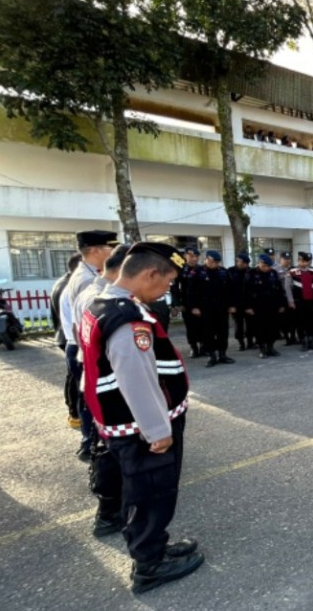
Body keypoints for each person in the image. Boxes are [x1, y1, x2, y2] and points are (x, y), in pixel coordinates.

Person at [78, 242, 204, 594]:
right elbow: (137, 378)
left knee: (142, 489)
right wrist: (157, 430)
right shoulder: (127, 318)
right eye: (168, 281)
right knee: (152, 492)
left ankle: (155, 547)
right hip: (139, 428)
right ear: (150, 274)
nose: (168, 289)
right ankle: (150, 565)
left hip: (119, 421)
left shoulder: (102, 302)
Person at [63, 230, 119, 461]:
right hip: (85, 348)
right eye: (110, 248)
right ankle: (93, 447)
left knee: (88, 399)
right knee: (93, 401)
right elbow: (88, 325)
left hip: (79, 347)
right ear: (95, 250)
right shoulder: (87, 281)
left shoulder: (87, 273)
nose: (114, 252)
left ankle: (91, 443)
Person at [51, 252, 83, 428]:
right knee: (76, 379)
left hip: (65, 335)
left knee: (72, 376)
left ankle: (74, 412)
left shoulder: (63, 281)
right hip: (70, 337)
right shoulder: (69, 287)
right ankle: (74, 413)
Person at [187, 251, 234, 367]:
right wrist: (194, 307)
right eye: (211, 261)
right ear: (206, 259)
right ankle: (212, 356)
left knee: (223, 332)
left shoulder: (224, 272)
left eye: (216, 262)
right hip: (205, 308)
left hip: (221, 308)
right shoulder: (197, 272)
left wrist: (232, 305)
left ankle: (222, 354)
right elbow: (191, 291)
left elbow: (231, 290)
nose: (213, 264)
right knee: (208, 332)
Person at [245, 254, 286, 358]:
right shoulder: (251, 273)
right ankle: (262, 348)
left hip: (272, 304)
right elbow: (245, 292)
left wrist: (281, 304)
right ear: (259, 263)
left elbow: (279, 290)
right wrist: (248, 307)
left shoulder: (273, 273)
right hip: (258, 305)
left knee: (273, 327)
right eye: (264, 266)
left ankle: (270, 347)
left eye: (268, 266)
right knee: (260, 328)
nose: (266, 268)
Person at [284, 252, 313, 351]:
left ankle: (310, 341)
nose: (306, 264)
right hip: (299, 301)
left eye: (307, 261)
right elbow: (287, 287)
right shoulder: (292, 271)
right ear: (299, 260)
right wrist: (290, 301)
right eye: (303, 261)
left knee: (311, 321)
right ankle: (303, 341)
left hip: (311, 300)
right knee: (300, 322)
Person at [173, 247, 204, 358]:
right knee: (191, 327)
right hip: (186, 303)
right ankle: (194, 347)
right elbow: (175, 288)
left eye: (196, 256)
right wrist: (177, 304)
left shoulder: (202, 269)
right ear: (185, 256)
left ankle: (203, 346)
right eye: (191, 256)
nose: (194, 259)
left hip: (201, 303)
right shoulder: (180, 270)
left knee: (202, 326)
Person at [226, 253, 254, 351]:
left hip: (248, 303)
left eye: (244, 263)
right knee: (239, 324)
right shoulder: (230, 271)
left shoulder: (251, 272)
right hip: (236, 303)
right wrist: (230, 305)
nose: (242, 264)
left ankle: (250, 342)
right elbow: (227, 290)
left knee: (250, 323)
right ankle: (241, 343)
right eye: (240, 262)